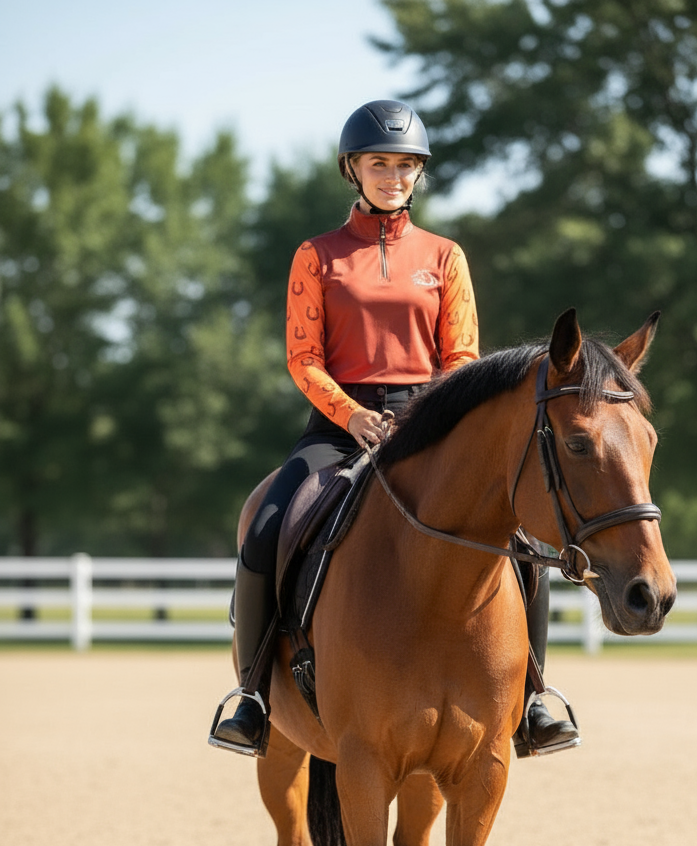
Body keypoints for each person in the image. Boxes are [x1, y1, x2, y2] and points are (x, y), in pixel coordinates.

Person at [210, 100, 578, 758]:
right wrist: (353, 415)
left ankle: (534, 697)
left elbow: (463, 359)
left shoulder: (445, 256)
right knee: (268, 519)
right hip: (338, 419)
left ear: (418, 174)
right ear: (353, 170)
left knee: (517, 535)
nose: (393, 175)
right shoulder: (316, 256)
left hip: (432, 420)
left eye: (406, 165)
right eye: (380, 163)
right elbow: (303, 359)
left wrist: (425, 414)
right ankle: (253, 696)